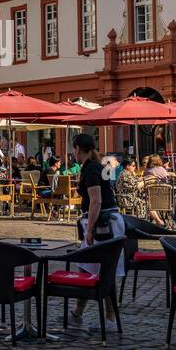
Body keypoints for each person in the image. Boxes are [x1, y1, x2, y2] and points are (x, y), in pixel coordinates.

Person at [68, 133, 124, 328]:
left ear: (77, 148)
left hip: (102, 224)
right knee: (87, 267)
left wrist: (90, 229)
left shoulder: (91, 169)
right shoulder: (97, 165)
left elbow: (97, 201)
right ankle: (79, 313)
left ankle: (109, 316)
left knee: (102, 269)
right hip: (107, 221)